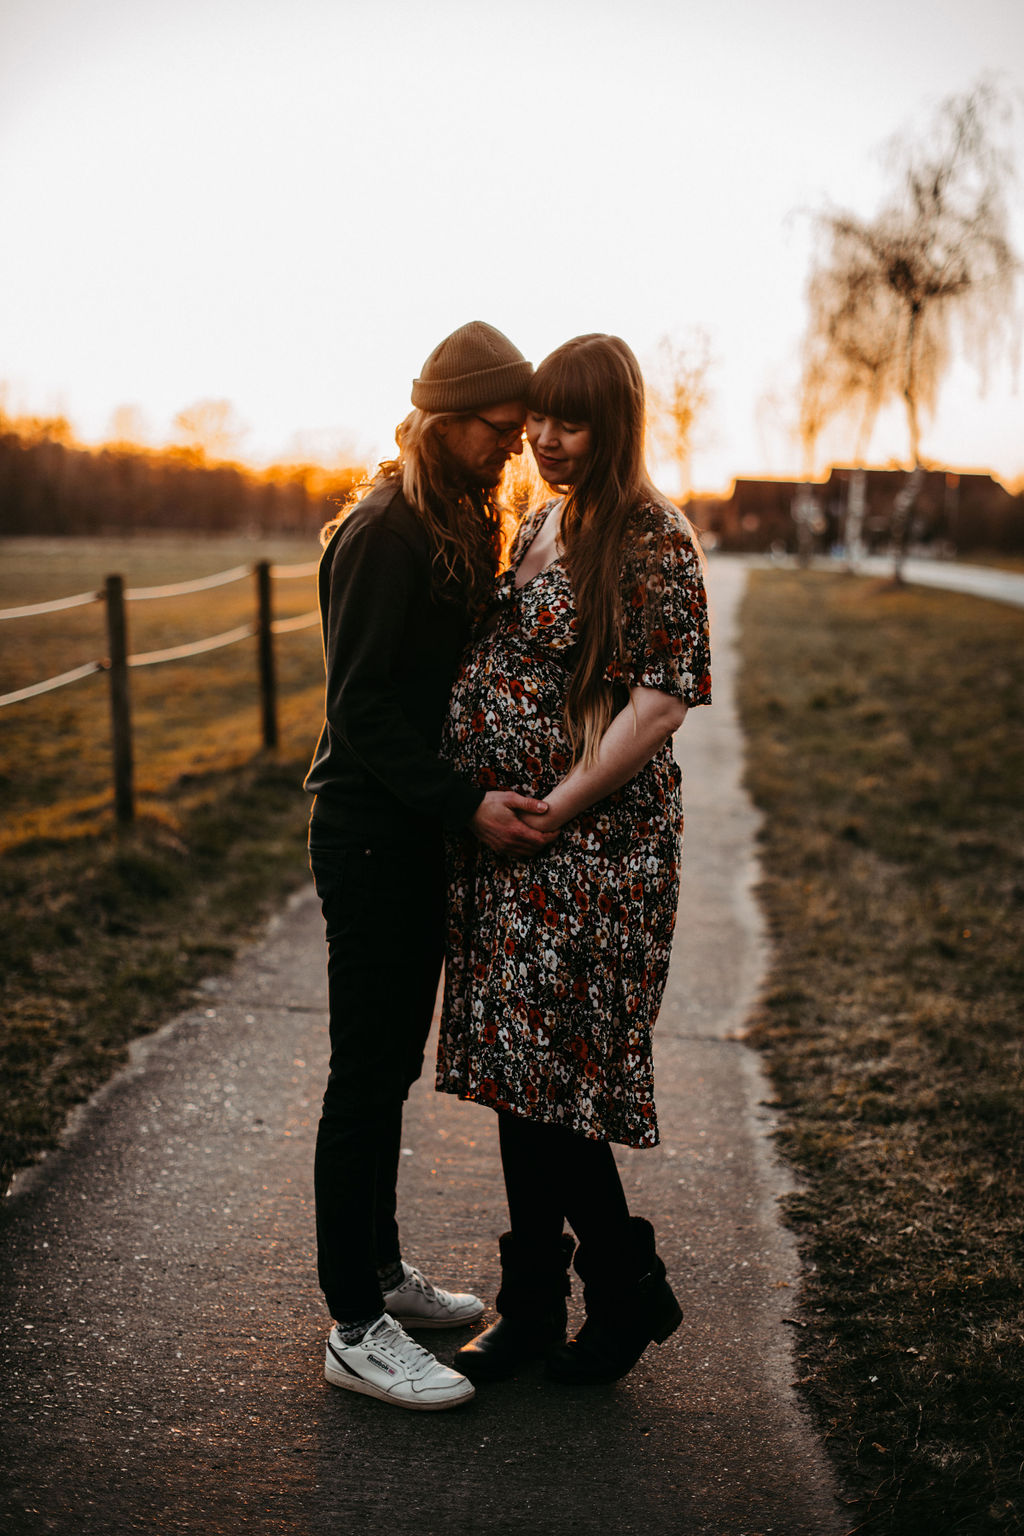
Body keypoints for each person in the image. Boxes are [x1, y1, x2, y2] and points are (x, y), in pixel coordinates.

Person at [436, 333, 712, 1387]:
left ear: (616, 425)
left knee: (556, 1082)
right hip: (514, 847)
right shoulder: (542, 519)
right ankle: (549, 1304)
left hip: (597, 855)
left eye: (572, 421)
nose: (546, 439)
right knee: (521, 1079)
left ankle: (609, 1286)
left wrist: (554, 806)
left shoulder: (650, 538)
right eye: (539, 418)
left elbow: (661, 699)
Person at [304, 321, 554, 1411]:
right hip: (370, 838)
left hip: (411, 840)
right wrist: (462, 804)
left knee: (389, 1071)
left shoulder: (446, 517)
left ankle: (383, 1275)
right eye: (498, 430)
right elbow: (358, 710)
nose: (511, 448)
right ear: (445, 418)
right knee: (364, 1079)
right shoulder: (383, 531)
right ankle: (353, 1325)